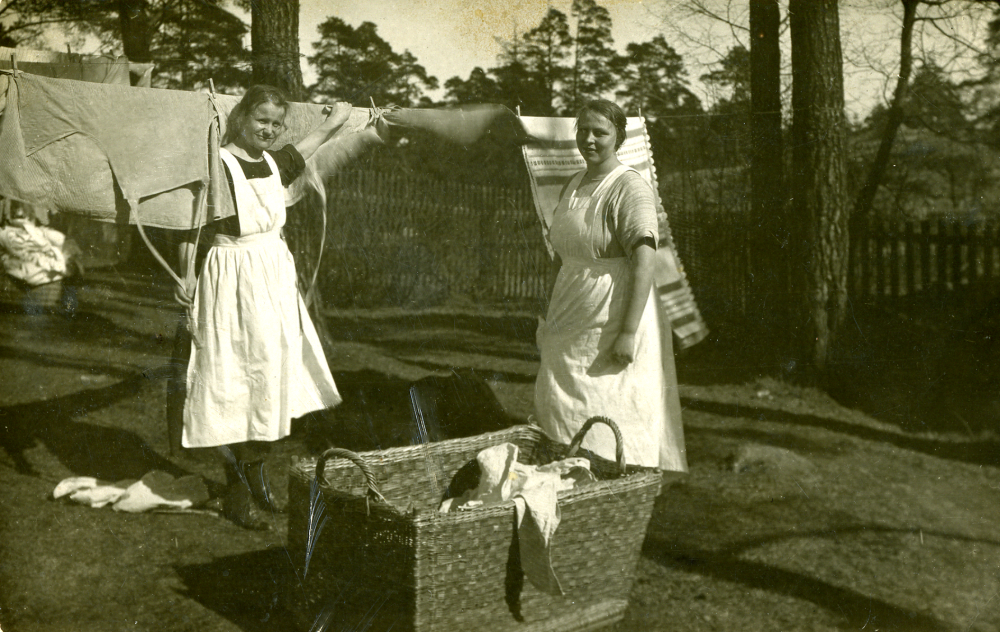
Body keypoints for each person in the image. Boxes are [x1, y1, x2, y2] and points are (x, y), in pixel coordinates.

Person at [175, 85, 350, 530]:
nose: (269, 130)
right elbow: (188, 219)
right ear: (241, 118)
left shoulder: (274, 163)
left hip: (272, 273)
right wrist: (186, 274)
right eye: (261, 121)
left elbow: (302, 149)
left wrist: (331, 124)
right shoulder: (219, 161)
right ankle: (236, 489)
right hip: (230, 273)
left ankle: (255, 470)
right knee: (230, 378)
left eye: (276, 123)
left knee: (272, 376)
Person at [534, 99, 686, 472]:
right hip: (569, 312)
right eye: (583, 130)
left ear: (617, 137)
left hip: (611, 315)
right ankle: (567, 478)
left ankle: (612, 485)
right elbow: (563, 254)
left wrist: (628, 331)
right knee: (558, 407)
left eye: (600, 132)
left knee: (609, 407)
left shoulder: (629, 187)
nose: (589, 139)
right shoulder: (574, 183)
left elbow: (645, 259)